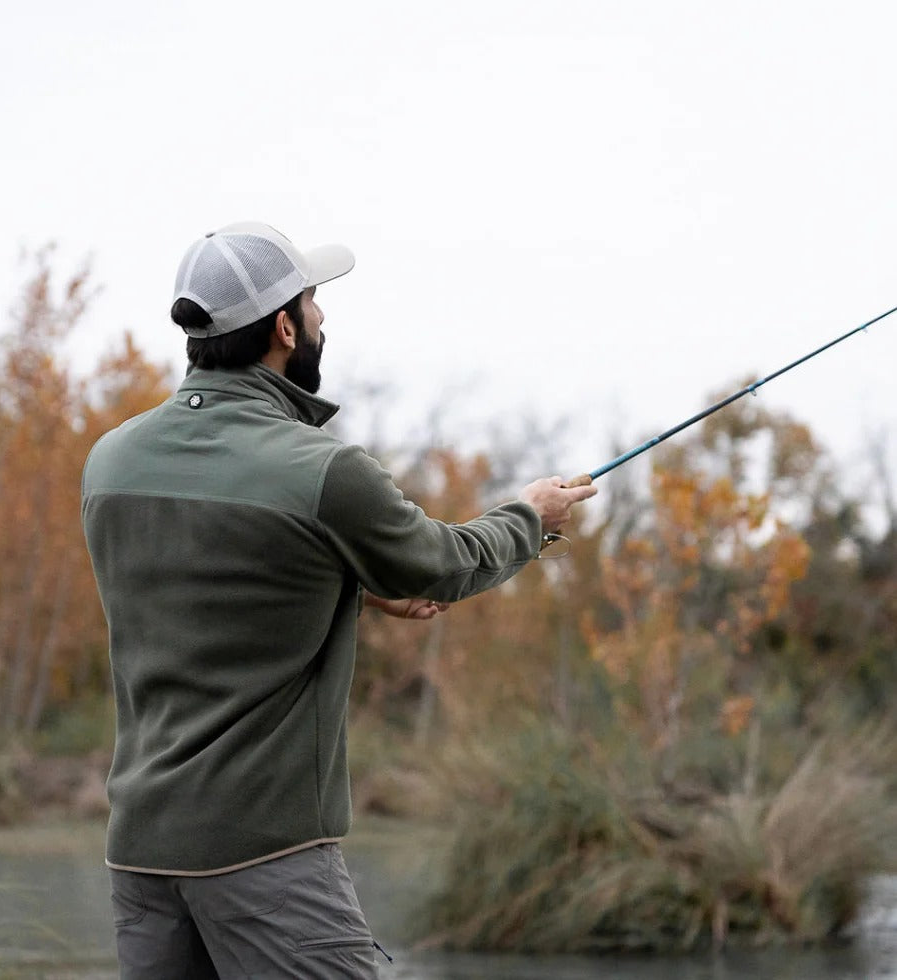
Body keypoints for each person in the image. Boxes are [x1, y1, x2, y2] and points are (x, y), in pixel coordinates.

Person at [81, 221, 597, 978]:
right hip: (266, 857)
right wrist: (529, 517)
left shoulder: (109, 462)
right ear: (284, 327)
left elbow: (204, 593)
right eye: (313, 301)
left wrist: (349, 593)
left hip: (140, 860)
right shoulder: (321, 469)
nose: (323, 317)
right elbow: (441, 565)